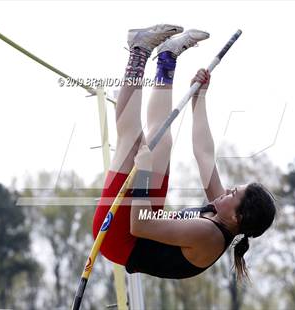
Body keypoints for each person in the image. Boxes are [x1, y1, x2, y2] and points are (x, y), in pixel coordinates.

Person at [93, 24, 276, 279]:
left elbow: (139, 225)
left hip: (121, 238)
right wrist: (199, 99)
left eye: (234, 193)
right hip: (147, 216)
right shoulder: (224, 212)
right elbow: (204, 155)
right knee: (162, 142)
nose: (228, 191)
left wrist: (144, 173)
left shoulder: (209, 236)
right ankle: (166, 59)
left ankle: (138, 50)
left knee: (134, 142)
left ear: (238, 216)